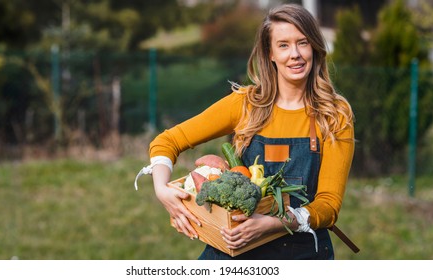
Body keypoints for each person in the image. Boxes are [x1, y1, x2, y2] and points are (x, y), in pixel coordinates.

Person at [139, 3, 355, 260]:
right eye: (283, 45)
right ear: (270, 53)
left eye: (303, 43)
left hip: (302, 253)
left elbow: (328, 205)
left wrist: (276, 223)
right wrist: (162, 190)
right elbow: (168, 141)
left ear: (315, 48)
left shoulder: (333, 113)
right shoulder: (245, 104)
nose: (294, 54)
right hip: (235, 252)